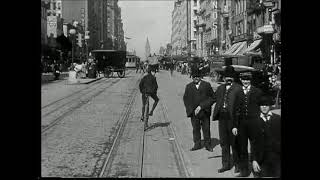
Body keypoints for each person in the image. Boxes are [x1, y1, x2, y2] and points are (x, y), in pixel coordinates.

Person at [212, 65, 242, 173]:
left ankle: (237, 164)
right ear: (224, 78)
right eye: (226, 77)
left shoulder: (238, 89)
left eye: (231, 77)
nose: (228, 79)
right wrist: (201, 106)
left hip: (233, 119)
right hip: (222, 118)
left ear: (234, 78)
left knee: (234, 142)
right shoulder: (220, 88)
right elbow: (212, 99)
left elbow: (241, 106)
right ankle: (225, 164)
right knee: (224, 143)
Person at [235, 72, 264, 177]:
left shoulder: (257, 92)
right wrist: (234, 125)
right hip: (242, 124)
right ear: (241, 80)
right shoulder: (238, 92)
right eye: (243, 80)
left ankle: (257, 170)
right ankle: (244, 171)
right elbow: (235, 110)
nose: (245, 82)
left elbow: (262, 107)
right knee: (242, 147)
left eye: (247, 80)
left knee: (255, 146)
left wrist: (262, 120)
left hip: (254, 123)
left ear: (250, 80)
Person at [183, 69, 215, 152]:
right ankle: (197, 144)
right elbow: (186, 99)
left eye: (197, 76)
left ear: (200, 77)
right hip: (194, 113)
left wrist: (202, 106)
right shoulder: (189, 86)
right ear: (192, 77)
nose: (196, 78)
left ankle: (208, 145)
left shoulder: (206, 85)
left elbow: (213, 98)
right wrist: (190, 110)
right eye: (194, 77)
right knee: (195, 129)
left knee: (206, 129)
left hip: (205, 112)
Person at [252, 95, 281, 177]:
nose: (264, 107)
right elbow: (253, 142)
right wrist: (254, 160)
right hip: (262, 159)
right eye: (262, 105)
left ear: (270, 106)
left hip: (277, 157)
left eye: (266, 105)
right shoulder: (255, 121)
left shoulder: (278, 119)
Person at [139, 66, 160, 131]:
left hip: (145, 92)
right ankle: (151, 111)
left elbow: (140, 85)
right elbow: (156, 86)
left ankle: (142, 115)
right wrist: (154, 92)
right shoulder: (153, 78)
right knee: (156, 100)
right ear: (151, 71)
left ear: (147, 71)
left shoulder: (144, 77)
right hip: (151, 93)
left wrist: (142, 91)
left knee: (144, 104)